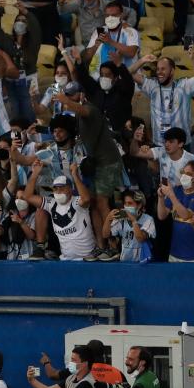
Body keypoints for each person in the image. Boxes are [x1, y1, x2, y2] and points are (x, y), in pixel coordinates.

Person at [53, 81, 124, 258]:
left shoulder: (89, 109)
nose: (68, 98)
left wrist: (65, 100)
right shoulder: (77, 113)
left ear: (82, 94)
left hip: (108, 162)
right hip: (95, 163)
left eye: (72, 95)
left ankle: (113, 245)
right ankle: (101, 245)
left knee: (101, 202)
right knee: (92, 204)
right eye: (67, 95)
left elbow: (83, 110)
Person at [131, 53, 194, 147]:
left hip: (181, 144)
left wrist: (193, 59)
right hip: (159, 144)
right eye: (157, 69)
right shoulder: (152, 85)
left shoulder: (183, 85)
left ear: (172, 71)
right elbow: (130, 73)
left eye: (163, 69)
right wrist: (143, 60)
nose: (159, 72)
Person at [25, 165, 96, 262]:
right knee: (39, 209)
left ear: (70, 189)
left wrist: (75, 175)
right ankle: (40, 247)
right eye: (55, 188)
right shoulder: (51, 203)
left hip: (87, 259)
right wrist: (35, 173)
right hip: (66, 260)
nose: (58, 192)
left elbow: (86, 198)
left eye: (62, 188)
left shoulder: (77, 201)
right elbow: (28, 197)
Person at [157, 161, 194, 262]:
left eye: (189, 174)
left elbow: (186, 215)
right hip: (175, 253)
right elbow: (162, 215)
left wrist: (171, 195)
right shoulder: (177, 190)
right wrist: (161, 197)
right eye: (183, 172)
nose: (184, 176)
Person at [81, 0, 140, 74]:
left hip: (125, 75)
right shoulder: (99, 31)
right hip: (102, 76)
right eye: (107, 15)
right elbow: (87, 58)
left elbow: (131, 53)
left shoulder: (130, 31)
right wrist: (95, 47)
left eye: (114, 15)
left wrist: (110, 41)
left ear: (121, 15)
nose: (110, 18)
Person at [103, 190, 155, 263]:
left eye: (130, 203)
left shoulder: (148, 220)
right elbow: (105, 235)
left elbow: (140, 238)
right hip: (124, 261)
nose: (127, 206)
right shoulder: (122, 219)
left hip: (142, 262)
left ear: (139, 205)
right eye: (125, 203)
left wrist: (134, 221)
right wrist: (108, 219)